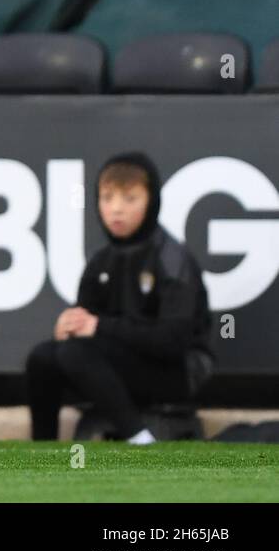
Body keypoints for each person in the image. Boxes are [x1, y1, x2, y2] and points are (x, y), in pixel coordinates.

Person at [26, 152, 214, 444]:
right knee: (43, 357)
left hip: (178, 372)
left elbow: (173, 341)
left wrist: (99, 327)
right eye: (107, 197)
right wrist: (70, 326)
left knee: (75, 353)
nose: (116, 209)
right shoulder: (101, 261)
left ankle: (139, 439)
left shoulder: (172, 259)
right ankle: (42, 450)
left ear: (151, 201)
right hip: (117, 367)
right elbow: (87, 323)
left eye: (129, 199)